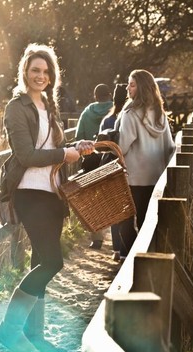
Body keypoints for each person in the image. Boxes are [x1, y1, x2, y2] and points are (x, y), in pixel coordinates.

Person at [0, 43, 94, 352]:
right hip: (28, 193)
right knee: (53, 261)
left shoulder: (49, 107)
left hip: (52, 194)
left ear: (51, 76)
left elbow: (53, 147)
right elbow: (26, 154)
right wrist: (64, 153)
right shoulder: (16, 108)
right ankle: (8, 331)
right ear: (25, 71)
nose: (41, 75)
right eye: (35, 69)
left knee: (41, 261)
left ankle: (34, 335)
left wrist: (78, 145)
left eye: (46, 71)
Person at [115, 70, 175, 259]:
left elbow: (122, 147)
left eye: (132, 84)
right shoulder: (160, 114)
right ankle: (147, 260)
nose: (127, 88)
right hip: (156, 177)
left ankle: (135, 259)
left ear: (140, 87)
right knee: (147, 222)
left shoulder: (130, 114)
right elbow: (171, 146)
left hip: (134, 177)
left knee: (124, 222)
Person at [75, 84, 113, 250]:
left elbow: (78, 137)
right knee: (112, 194)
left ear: (95, 96)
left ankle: (96, 237)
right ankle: (118, 238)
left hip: (91, 159)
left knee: (92, 198)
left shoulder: (87, 113)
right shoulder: (116, 110)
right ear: (109, 94)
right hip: (110, 159)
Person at [99, 83, 128, 261]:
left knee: (114, 206)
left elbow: (101, 144)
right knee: (127, 208)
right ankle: (125, 249)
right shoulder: (130, 117)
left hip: (109, 165)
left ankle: (117, 248)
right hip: (126, 166)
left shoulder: (108, 120)